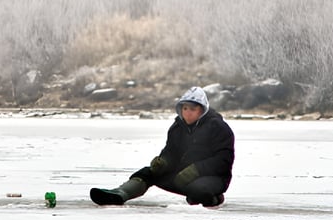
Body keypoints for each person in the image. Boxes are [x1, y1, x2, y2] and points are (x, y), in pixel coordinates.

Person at [90, 86, 234, 207]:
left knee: (197, 191)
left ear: (202, 110)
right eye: (185, 108)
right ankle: (119, 194)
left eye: (192, 109)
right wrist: (163, 162)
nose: (188, 113)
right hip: (181, 176)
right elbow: (171, 152)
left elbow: (223, 160)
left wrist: (196, 170)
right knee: (148, 172)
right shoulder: (177, 127)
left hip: (214, 178)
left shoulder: (219, 128)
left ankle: (215, 198)